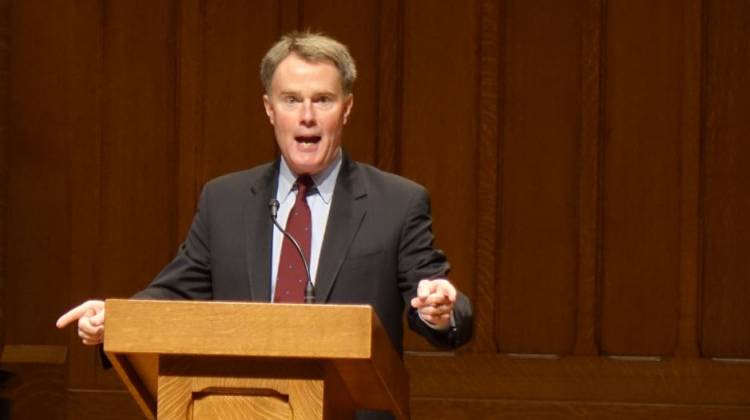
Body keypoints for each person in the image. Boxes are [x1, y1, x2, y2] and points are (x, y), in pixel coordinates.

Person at [57, 31, 472, 418]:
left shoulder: (397, 202)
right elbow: (175, 292)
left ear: (347, 109)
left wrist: (441, 310)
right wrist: (118, 320)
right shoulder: (226, 200)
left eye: (322, 100)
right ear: (269, 109)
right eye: (291, 100)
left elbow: (434, 297)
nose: (306, 116)